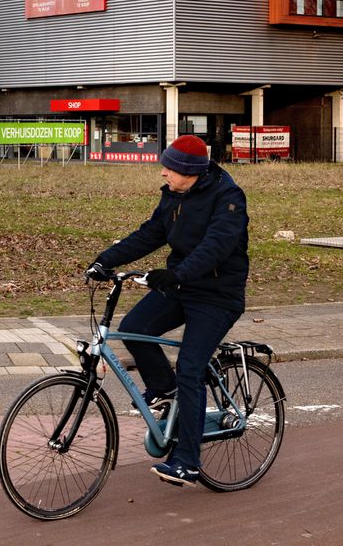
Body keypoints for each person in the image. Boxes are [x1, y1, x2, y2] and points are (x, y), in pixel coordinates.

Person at [85, 134, 249, 488]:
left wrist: (177, 273)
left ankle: (188, 461)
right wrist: (105, 259)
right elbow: (151, 233)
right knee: (136, 328)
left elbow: (216, 247)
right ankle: (166, 390)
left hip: (217, 295)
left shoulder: (228, 198)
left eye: (169, 168)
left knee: (190, 368)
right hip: (182, 286)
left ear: (189, 172)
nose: (162, 173)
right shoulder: (174, 195)